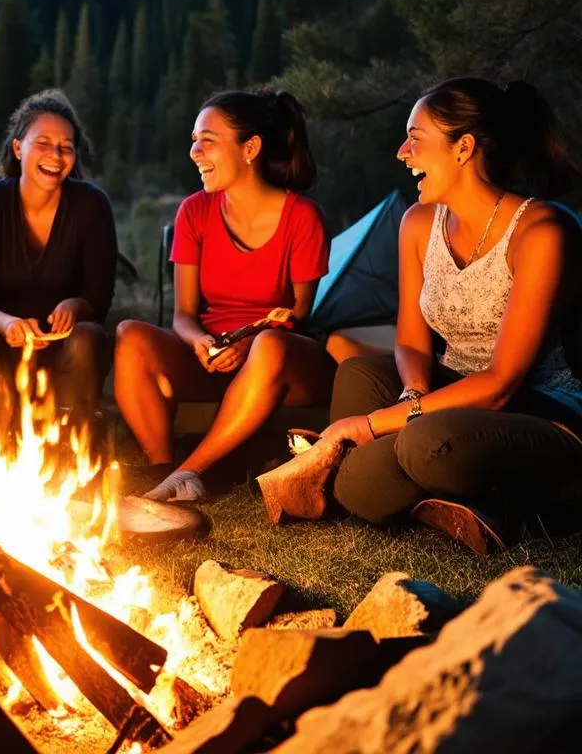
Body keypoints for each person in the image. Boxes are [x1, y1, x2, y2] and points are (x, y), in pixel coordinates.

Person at [323, 77, 582, 553]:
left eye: (415, 139)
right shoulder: (419, 224)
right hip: (451, 391)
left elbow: (502, 382)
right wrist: (412, 394)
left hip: (540, 408)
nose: (403, 152)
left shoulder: (541, 232)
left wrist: (380, 424)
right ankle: (460, 497)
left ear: (463, 147)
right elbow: (410, 341)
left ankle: (513, 497)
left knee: (423, 443)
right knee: (358, 398)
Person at [114, 89, 335, 502]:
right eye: (193, 141)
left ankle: (191, 469)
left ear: (250, 147)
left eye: (208, 140)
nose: (195, 152)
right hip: (214, 357)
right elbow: (183, 314)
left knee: (269, 345)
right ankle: (166, 472)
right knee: (130, 335)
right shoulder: (194, 212)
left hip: (282, 362)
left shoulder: (302, 217)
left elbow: (299, 312)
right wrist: (197, 340)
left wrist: (250, 339)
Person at [0, 90, 117, 439]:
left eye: (66, 146)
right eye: (43, 143)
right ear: (18, 148)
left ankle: (70, 446)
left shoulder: (91, 205)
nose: (56, 155)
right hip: (3, 342)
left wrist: (76, 305)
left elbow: (100, 296)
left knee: (88, 335)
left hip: (67, 345)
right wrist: (5, 322)